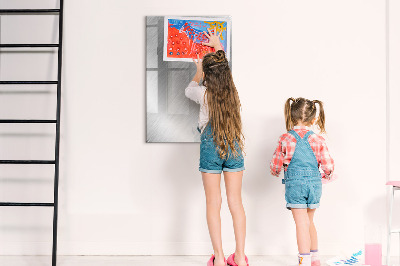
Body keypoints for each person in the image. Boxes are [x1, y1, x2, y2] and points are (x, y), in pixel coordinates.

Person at [185, 28, 248, 266]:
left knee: (214, 203)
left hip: (211, 148)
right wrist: (219, 46)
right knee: (236, 202)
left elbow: (188, 89)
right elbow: (224, 71)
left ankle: (220, 258)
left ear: (208, 77)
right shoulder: (233, 92)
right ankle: (240, 257)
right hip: (233, 146)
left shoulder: (203, 94)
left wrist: (198, 70)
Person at [270, 98, 335, 266]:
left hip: (295, 186)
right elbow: (328, 165)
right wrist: (327, 176)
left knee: (301, 224)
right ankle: (315, 260)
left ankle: (304, 261)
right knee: (309, 222)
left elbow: (275, 164)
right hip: (314, 185)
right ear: (313, 120)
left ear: (291, 117)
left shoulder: (285, 138)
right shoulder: (318, 139)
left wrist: (275, 171)